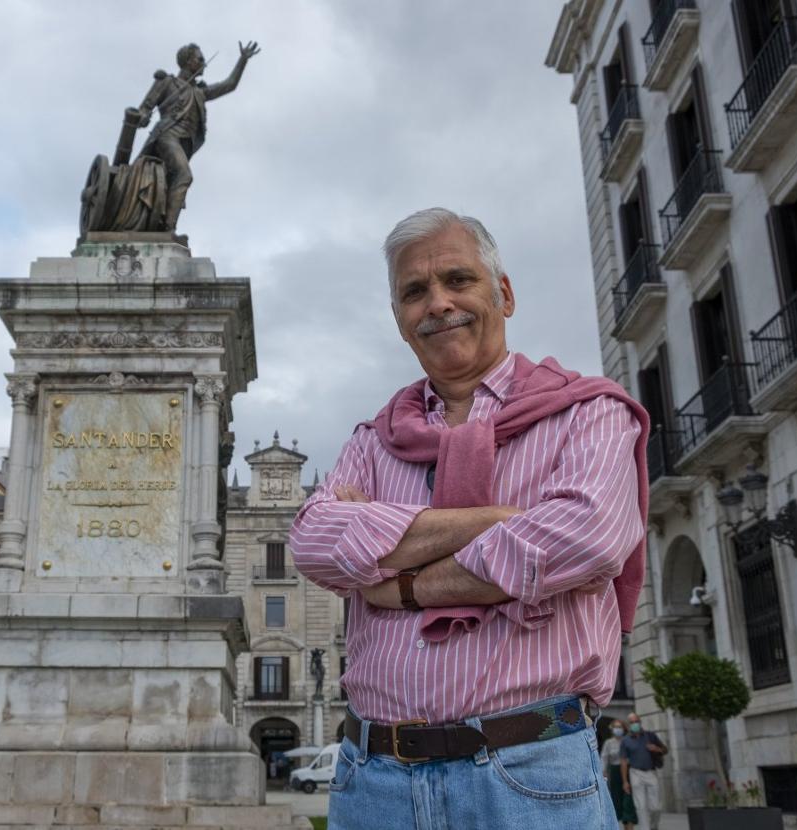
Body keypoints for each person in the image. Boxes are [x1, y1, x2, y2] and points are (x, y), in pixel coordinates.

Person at [290, 208, 649, 829]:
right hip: (373, 779)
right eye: (414, 292)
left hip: (530, 774)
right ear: (400, 319)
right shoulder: (374, 439)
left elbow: (585, 539)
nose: (438, 303)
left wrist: (399, 582)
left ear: (503, 294)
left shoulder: (587, 413)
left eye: (459, 280)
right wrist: (503, 520)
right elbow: (315, 543)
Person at [136, 40, 260, 229]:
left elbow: (230, 85)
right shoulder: (167, 82)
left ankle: (160, 225)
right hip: (167, 135)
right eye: (200, 59)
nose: (204, 63)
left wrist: (243, 60)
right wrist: (142, 117)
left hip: (185, 144)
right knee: (184, 174)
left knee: (173, 182)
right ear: (188, 61)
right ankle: (169, 229)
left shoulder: (200, 91)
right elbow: (145, 108)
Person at [620, 712, 668, 830]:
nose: (635, 724)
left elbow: (665, 750)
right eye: (632, 722)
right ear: (628, 725)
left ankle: (653, 827)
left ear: (640, 722)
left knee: (655, 807)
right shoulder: (625, 741)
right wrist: (625, 781)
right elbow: (623, 762)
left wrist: (656, 748)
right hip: (635, 773)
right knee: (640, 806)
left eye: (636, 721)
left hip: (651, 773)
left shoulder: (650, 736)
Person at [600, 720, 638, 830]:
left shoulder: (627, 740)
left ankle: (629, 822)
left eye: (620, 727)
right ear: (612, 729)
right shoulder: (609, 743)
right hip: (614, 771)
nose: (618, 729)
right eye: (616, 727)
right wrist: (603, 771)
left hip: (629, 771)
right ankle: (617, 822)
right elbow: (604, 757)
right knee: (616, 798)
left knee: (628, 798)